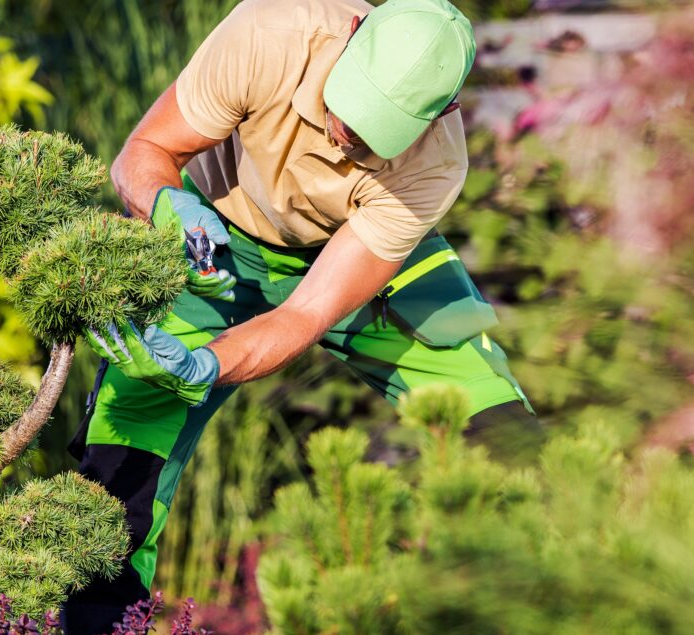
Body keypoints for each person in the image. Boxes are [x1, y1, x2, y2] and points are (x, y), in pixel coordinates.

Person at [61, 0, 539, 630]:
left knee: (508, 440)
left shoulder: (435, 166)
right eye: (352, 105)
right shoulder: (270, 31)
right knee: (118, 468)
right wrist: (167, 203)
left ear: (443, 111)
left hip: (354, 259)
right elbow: (144, 150)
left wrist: (208, 365)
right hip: (212, 240)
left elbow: (308, 313)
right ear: (352, 33)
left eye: (378, 128)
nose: (347, 135)